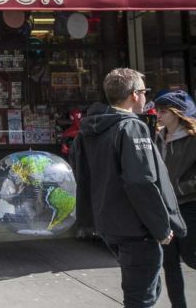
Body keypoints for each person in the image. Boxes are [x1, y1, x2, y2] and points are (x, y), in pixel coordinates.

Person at [72, 68, 185, 308]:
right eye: (144, 92)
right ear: (134, 95)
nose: (146, 97)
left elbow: (82, 173)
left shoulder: (90, 128)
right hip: (137, 228)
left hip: (110, 223)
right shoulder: (130, 127)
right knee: (141, 297)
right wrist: (161, 227)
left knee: (144, 290)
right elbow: (140, 181)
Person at [154, 90, 196, 308]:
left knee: (191, 257)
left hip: (189, 205)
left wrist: (176, 190)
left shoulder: (192, 137)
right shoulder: (158, 137)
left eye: (163, 111)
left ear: (177, 113)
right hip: (165, 209)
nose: (158, 115)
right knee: (169, 263)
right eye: (157, 110)